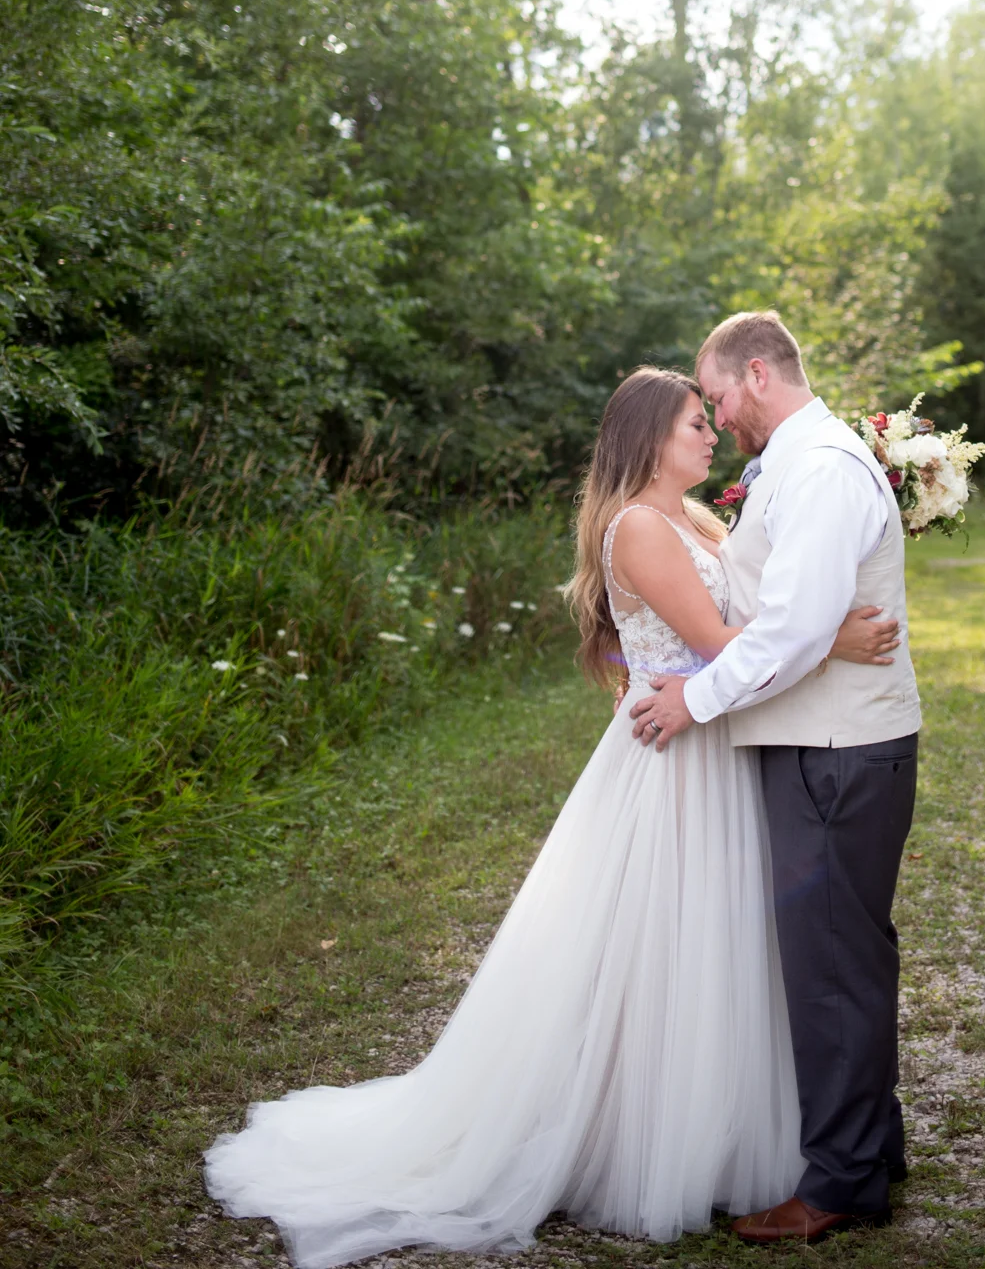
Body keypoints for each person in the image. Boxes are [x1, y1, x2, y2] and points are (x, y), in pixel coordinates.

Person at [204, 366, 899, 1267]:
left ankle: (732, 1129)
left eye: (709, 417)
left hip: (715, 742)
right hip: (674, 764)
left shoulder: (693, 519)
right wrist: (836, 635)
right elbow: (726, 645)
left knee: (720, 947)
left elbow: (754, 617)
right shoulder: (638, 528)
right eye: (694, 422)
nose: (710, 434)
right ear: (650, 436)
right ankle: (625, 1133)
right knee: (658, 946)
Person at [630, 312, 921, 1243]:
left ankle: (838, 1186)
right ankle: (870, 1153)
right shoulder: (799, 463)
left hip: (834, 750)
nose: (718, 418)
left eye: (716, 396)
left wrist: (696, 701)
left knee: (832, 967)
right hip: (816, 743)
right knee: (843, 957)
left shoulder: (823, 467)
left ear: (755, 375)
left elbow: (792, 628)